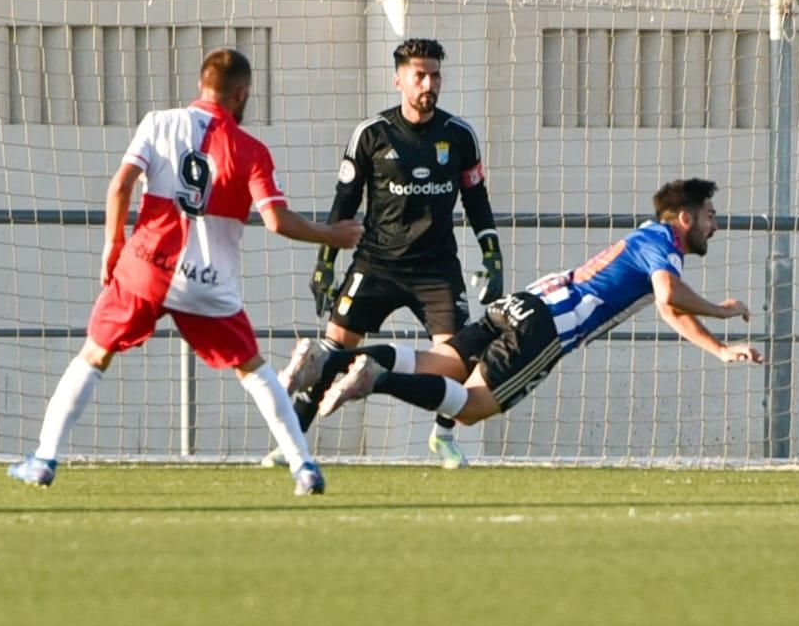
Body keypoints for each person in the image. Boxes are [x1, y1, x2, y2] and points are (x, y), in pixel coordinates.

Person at [7, 48, 363, 495]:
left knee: (95, 354)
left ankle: (43, 459)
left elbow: (120, 186)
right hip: (208, 282)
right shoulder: (251, 150)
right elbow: (276, 221)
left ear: (202, 85)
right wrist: (332, 235)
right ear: (242, 94)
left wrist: (113, 246)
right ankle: (304, 467)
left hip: (145, 267)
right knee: (253, 371)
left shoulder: (158, 122)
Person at [298, 178, 763, 440]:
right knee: (471, 409)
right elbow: (669, 295)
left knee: (439, 364)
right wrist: (721, 311)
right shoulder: (666, 244)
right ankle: (377, 380)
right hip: (549, 326)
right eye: (709, 216)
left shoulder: (647, 235)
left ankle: (327, 359)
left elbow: (669, 310)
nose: (715, 226)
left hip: (525, 300)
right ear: (686, 219)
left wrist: (719, 349)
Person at [267, 38, 502, 470]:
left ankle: (443, 437)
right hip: (376, 265)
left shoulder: (459, 136)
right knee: (329, 351)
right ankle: (293, 441)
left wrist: (492, 255)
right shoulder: (371, 134)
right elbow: (342, 207)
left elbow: (477, 199)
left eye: (434, 75)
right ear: (399, 80)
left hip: (436, 270)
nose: (428, 83)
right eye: (420, 75)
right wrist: (325, 264)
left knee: (457, 361)